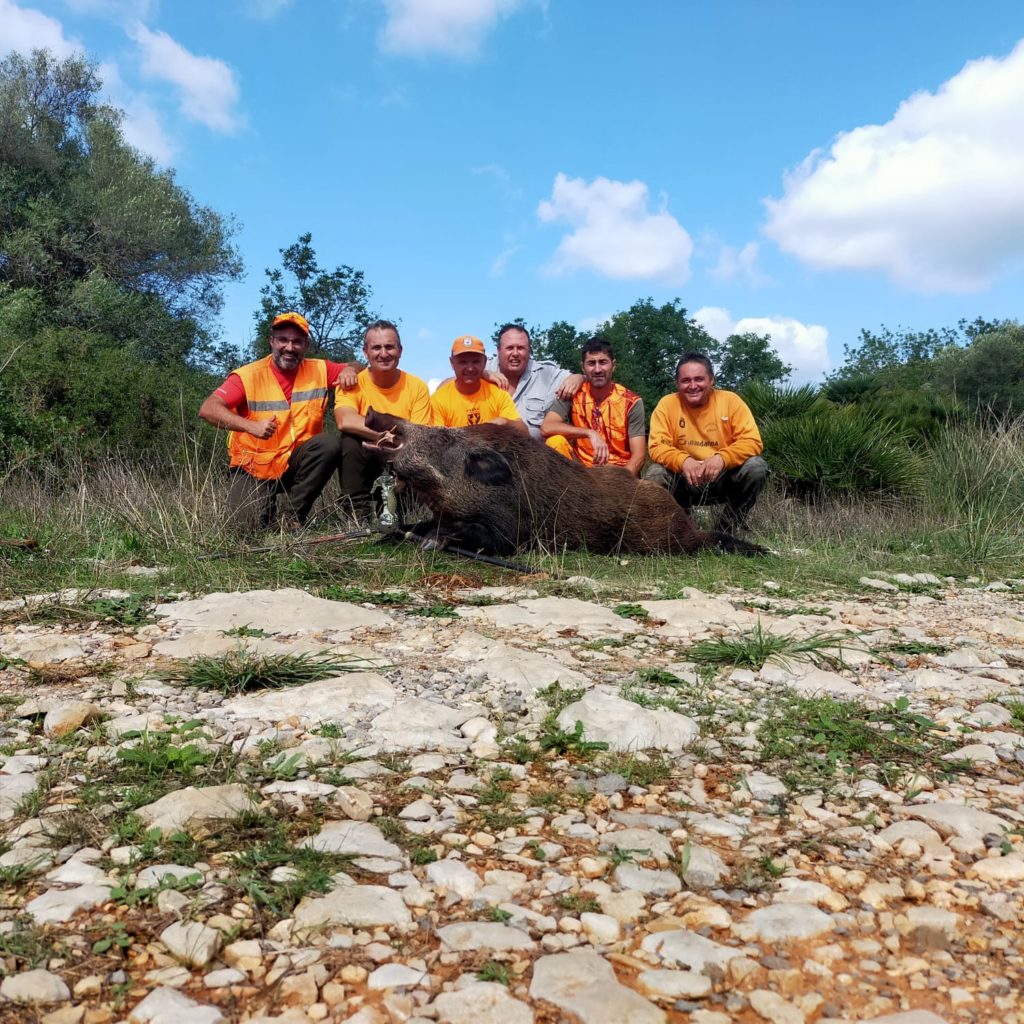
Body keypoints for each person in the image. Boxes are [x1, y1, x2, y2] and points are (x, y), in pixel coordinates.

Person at [198, 311, 357, 534]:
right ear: (272, 341)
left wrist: (350, 369)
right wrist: (250, 426)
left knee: (328, 444)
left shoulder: (319, 369)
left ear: (306, 345)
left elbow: (358, 366)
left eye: (297, 342)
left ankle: (291, 518)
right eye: (283, 340)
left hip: (296, 462)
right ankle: (267, 508)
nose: (290, 347)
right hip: (254, 467)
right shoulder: (247, 375)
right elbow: (208, 409)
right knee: (243, 530)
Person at [643, 351, 767, 532]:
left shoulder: (731, 401)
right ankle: (685, 528)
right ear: (677, 383)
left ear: (711, 380)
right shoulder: (666, 405)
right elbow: (657, 447)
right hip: (685, 478)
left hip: (723, 477)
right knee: (655, 474)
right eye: (686, 380)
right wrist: (683, 461)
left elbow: (752, 441)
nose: (693, 386)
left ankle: (727, 529)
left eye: (699, 379)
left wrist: (723, 458)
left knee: (756, 467)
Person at [335, 319, 432, 516]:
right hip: (368, 455)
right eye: (376, 347)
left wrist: (397, 451)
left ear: (400, 350)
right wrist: (387, 436)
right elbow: (345, 420)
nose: (383, 353)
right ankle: (357, 511)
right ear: (365, 352)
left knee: (399, 515)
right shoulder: (351, 383)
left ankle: (393, 507)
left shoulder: (417, 386)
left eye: (389, 347)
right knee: (350, 440)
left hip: (401, 459)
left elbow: (419, 437)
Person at [540, 337, 646, 477]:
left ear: (613, 365)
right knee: (555, 442)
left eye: (603, 362)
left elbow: (639, 456)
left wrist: (621, 483)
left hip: (618, 473)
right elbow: (546, 427)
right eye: (591, 363)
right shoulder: (572, 392)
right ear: (583, 367)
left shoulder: (632, 402)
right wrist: (589, 433)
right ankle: (565, 493)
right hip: (581, 471)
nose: (597, 369)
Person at [485, 323, 583, 437]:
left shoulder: (546, 373)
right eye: (510, 348)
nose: (515, 353)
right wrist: (481, 374)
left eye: (521, 348)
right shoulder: (482, 370)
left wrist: (579, 377)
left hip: (535, 452)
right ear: (498, 350)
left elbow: (590, 377)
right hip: (489, 452)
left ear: (529, 350)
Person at [432, 335, 528, 433]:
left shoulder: (498, 394)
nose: (470, 368)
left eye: (475, 362)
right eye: (463, 362)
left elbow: (524, 432)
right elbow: (436, 440)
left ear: (484, 362)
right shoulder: (438, 400)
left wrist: (504, 422)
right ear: (452, 363)